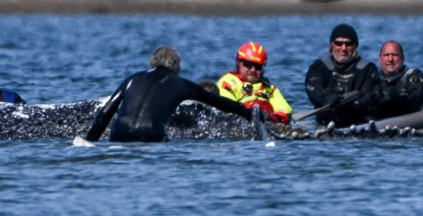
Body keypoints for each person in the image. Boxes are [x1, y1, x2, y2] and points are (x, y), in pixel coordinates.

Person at [84, 46, 252, 142]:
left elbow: (104, 114)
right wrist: (246, 112)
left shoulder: (132, 78)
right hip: (151, 134)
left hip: (118, 133)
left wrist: (90, 142)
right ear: (176, 67)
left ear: (152, 63)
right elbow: (217, 101)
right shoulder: (181, 84)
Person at [304, 24, 381, 128]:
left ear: (355, 46)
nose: (343, 48)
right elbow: (312, 88)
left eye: (348, 44)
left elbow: (372, 97)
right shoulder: (319, 67)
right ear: (332, 45)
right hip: (325, 121)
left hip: (358, 123)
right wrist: (325, 99)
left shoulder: (368, 69)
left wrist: (348, 105)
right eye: (338, 43)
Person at [216, 41, 293, 124]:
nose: (253, 70)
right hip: (239, 123)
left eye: (258, 67)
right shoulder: (228, 82)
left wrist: (272, 119)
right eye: (247, 64)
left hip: (267, 123)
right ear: (238, 64)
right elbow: (227, 107)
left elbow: (285, 109)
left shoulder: (269, 88)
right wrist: (251, 114)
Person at [371, 40, 423, 120]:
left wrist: (396, 98)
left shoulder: (412, 75)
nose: (390, 59)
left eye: (394, 55)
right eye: (386, 55)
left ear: (402, 58)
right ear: (380, 58)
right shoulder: (371, 76)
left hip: (407, 118)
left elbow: (415, 101)